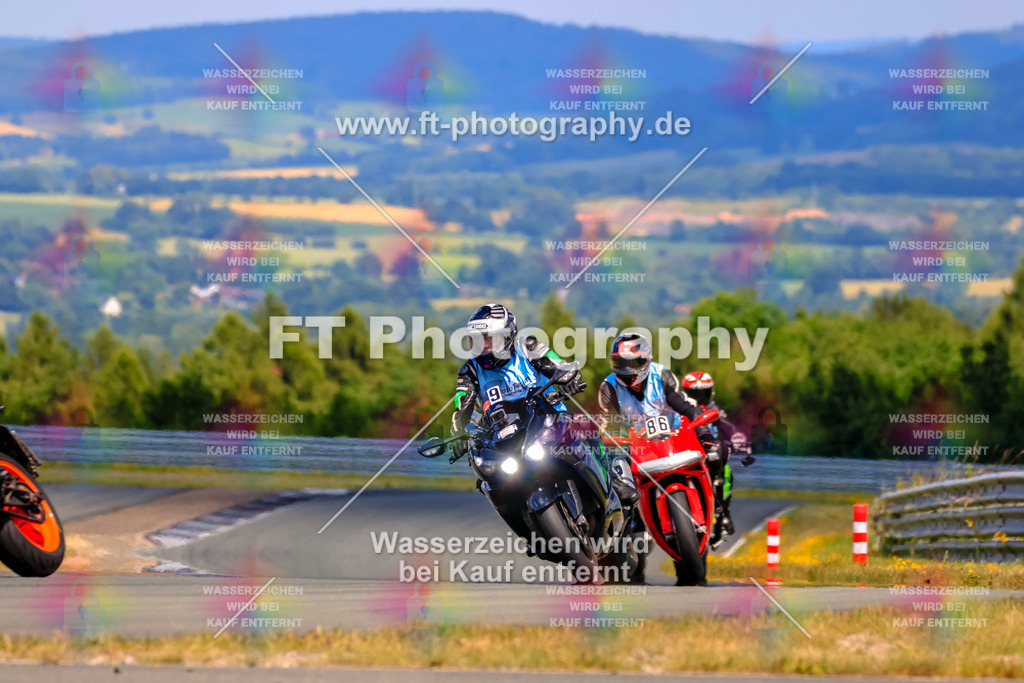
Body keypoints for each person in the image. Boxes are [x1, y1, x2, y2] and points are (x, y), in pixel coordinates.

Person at [449, 303, 639, 507]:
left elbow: (559, 364)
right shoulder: (470, 370)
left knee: (589, 428)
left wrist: (570, 378)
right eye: (477, 340)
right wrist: (458, 432)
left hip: (551, 420)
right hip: (506, 439)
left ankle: (615, 479)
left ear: (507, 335)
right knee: (487, 479)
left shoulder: (527, 347)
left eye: (488, 339)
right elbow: (462, 405)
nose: (483, 346)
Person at [597, 333, 721, 585]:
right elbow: (609, 426)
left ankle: (716, 507)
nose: (627, 371)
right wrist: (615, 448)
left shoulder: (662, 375)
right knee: (621, 497)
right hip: (636, 451)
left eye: (632, 364)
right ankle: (633, 563)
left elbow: (684, 405)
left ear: (646, 361)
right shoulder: (608, 387)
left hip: (674, 444)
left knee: (717, 455)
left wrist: (704, 433)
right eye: (621, 364)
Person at [680, 370, 751, 542]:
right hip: (686, 451)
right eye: (694, 394)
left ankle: (724, 512)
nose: (699, 398)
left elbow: (726, 426)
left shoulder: (714, 410)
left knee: (726, 472)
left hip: (710, 451)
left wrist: (737, 438)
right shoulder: (677, 409)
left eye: (703, 393)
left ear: (711, 393)